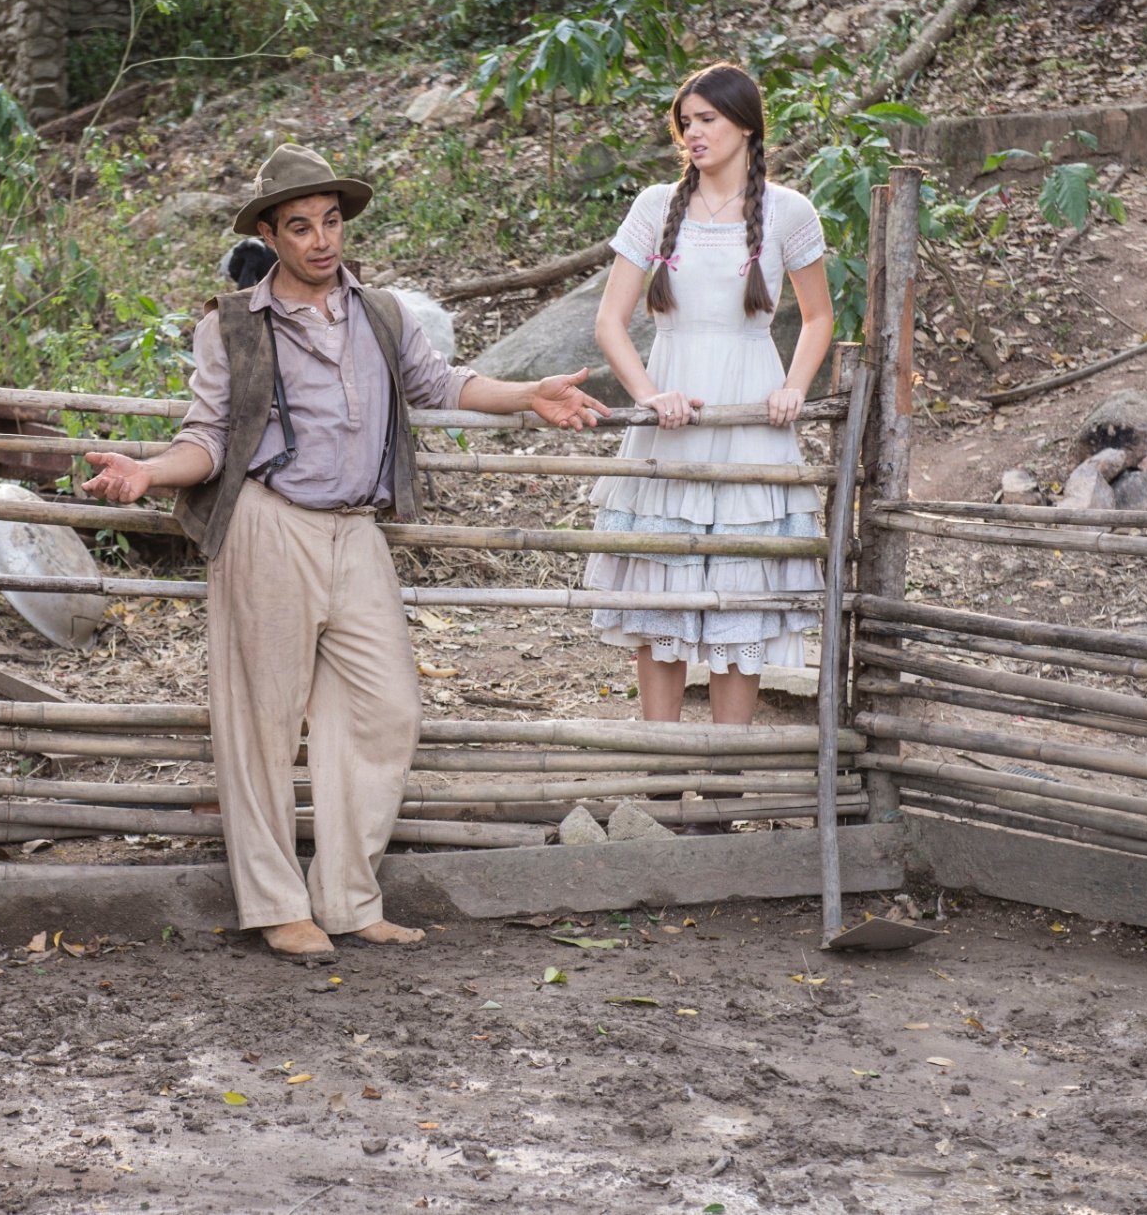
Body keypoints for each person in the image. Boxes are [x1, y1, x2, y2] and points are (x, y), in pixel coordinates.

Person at [80, 144, 610, 963]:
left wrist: (529, 395)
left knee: (386, 707)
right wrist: (149, 472)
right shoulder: (232, 326)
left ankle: (348, 896)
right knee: (261, 720)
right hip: (269, 523)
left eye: (330, 222)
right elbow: (208, 439)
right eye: (301, 227)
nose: (321, 240)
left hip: (357, 530)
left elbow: (446, 384)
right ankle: (276, 903)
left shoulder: (383, 313)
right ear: (270, 233)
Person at [585, 61, 835, 731]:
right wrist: (649, 394)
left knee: (740, 591)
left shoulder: (787, 212)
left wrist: (792, 387)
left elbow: (818, 318)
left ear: (745, 126)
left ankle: (725, 780)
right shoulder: (655, 206)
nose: (692, 133)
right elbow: (610, 321)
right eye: (685, 122)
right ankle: (661, 771)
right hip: (671, 415)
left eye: (707, 120)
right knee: (660, 594)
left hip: (750, 413)